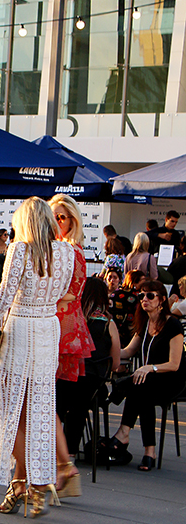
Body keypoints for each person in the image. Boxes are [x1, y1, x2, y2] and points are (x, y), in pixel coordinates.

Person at [0, 197, 74, 516]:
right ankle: (31, 485)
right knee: (39, 410)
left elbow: (4, 295)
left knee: (5, 410)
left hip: (21, 328)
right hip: (48, 329)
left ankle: (23, 483)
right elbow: (62, 292)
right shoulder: (66, 252)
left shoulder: (21, 250)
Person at [108, 280, 186, 470]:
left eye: (150, 295)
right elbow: (128, 351)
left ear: (162, 300)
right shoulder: (145, 323)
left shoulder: (173, 325)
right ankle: (147, 452)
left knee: (140, 383)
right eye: (141, 296)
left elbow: (174, 365)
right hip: (148, 381)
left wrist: (150, 367)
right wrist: (109, 349)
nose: (145, 299)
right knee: (142, 388)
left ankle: (123, 433)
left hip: (172, 380)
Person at [49, 193, 94, 498]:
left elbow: (68, 293)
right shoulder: (62, 248)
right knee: (45, 399)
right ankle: (59, 466)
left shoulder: (69, 250)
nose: (57, 221)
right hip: (60, 324)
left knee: (43, 398)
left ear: (73, 220)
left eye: (62, 217)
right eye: (53, 216)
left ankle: (62, 465)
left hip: (59, 327)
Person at [56, 278, 121, 459]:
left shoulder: (71, 321)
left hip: (66, 380)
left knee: (60, 402)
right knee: (80, 405)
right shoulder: (108, 324)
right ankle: (70, 454)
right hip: (93, 386)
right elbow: (115, 364)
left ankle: (50, 448)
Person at [110, 270, 146, 350]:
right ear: (135, 281)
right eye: (143, 280)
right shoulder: (138, 296)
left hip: (115, 330)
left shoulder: (115, 293)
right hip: (132, 331)